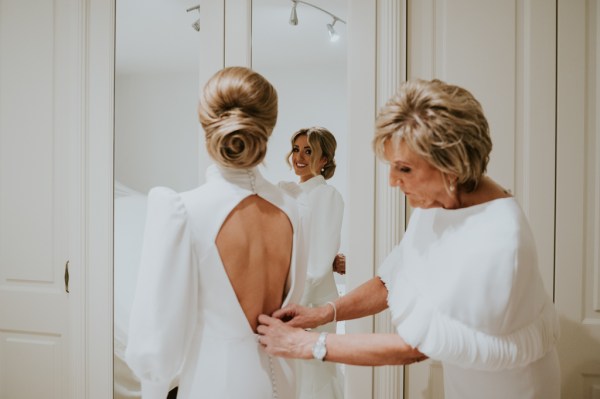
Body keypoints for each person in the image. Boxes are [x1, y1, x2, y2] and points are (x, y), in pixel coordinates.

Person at [257, 78, 561, 399]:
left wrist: (308, 344)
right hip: (463, 379)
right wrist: (323, 313)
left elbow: (414, 348)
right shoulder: (439, 198)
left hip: (512, 388)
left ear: (451, 164)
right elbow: (392, 279)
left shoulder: (500, 241)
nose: (392, 181)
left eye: (403, 169)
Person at [125, 66, 309, 399]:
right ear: (269, 125)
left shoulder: (183, 210)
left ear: (206, 122)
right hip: (283, 381)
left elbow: (157, 338)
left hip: (216, 382)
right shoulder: (292, 209)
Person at [278, 127, 344, 399]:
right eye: (296, 149)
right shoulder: (287, 193)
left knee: (312, 374)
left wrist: (294, 308)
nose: (299, 157)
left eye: (309, 151)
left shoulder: (327, 196)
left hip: (311, 300)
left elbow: (317, 262)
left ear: (324, 160)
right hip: (293, 295)